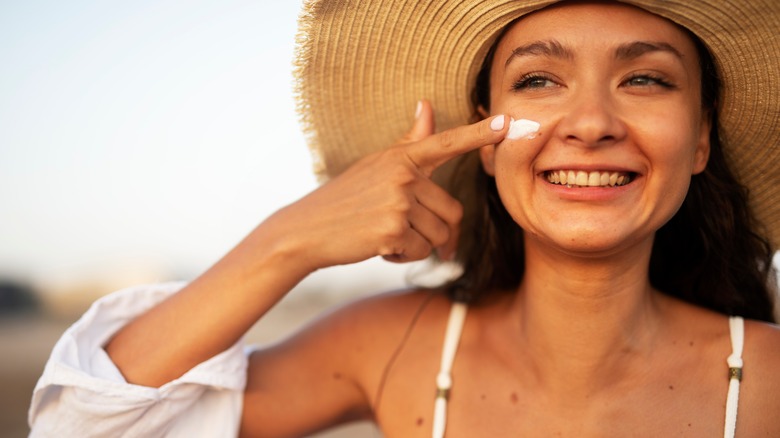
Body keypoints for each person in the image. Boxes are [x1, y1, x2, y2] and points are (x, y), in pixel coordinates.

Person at [29, 0, 780, 437]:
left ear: (702, 138)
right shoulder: (394, 345)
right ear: (486, 141)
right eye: (540, 80)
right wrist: (289, 240)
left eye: (644, 78)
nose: (589, 123)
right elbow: (83, 427)